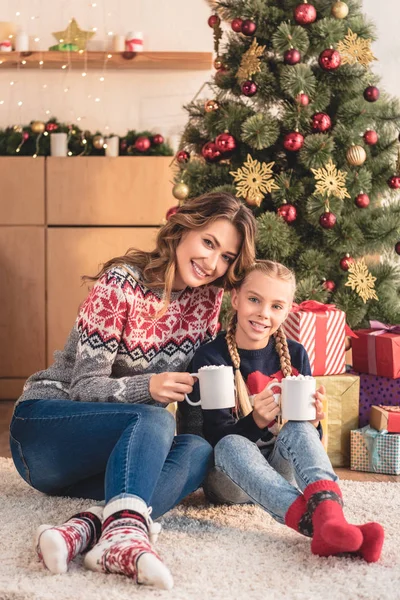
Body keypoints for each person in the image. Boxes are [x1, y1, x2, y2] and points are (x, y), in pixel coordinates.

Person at [9, 192, 257, 590]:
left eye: (227, 256)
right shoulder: (120, 284)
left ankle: (86, 529)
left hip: (100, 462)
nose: (213, 263)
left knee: (195, 448)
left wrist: (248, 429)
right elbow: (85, 387)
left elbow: (194, 404)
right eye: (209, 243)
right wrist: (150, 386)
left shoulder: (209, 300)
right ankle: (123, 536)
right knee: (156, 418)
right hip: (44, 428)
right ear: (183, 228)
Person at [186, 260, 384, 563]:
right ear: (235, 298)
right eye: (254, 299)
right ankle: (321, 525)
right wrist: (256, 421)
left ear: (288, 310)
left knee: (302, 427)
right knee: (230, 443)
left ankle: (330, 521)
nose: (264, 313)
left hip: (281, 472)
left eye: (276, 306)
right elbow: (215, 440)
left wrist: (314, 422)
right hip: (230, 481)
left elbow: (303, 439)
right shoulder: (211, 357)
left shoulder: (295, 354)